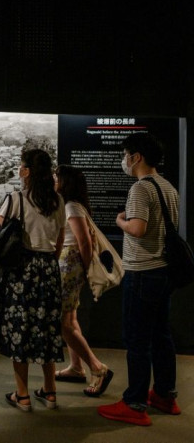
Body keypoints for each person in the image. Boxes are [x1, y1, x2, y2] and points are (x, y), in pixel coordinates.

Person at [98, 133, 181, 426]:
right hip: (162, 271)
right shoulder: (168, 187)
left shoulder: (140, 189)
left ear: (137, 157)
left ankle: (134, 403)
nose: (125, 159)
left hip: (142, 272)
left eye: (126, 154)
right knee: (161, 336)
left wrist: (120, 221)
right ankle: (165, 395)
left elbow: (138, 228)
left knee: (137, 339)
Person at [0, 149, 66, 411]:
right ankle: (50, 391)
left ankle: (22, 395)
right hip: (48, 269)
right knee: (47, 328)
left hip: (22, 270)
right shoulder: (58, 201)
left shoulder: (16, 199)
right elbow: (59, 241)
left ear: (26, 171)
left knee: (19, 330)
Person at [53, 165, 114, 396]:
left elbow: (84, 242)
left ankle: (98, 368)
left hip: (69, 265)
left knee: (64, 324)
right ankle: (76, 367)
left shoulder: (70, 207)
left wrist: (87, 269)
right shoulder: (75, 205)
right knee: (71, 318)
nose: (53, 180)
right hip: (71, 264)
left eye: (56, 177)